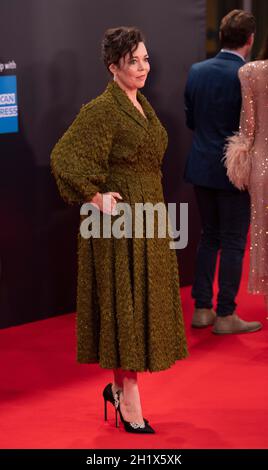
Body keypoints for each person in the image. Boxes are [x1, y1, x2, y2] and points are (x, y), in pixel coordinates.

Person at [50, 27, 187, 434]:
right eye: (134, 61)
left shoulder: (140, 103)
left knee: (135, 306)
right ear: (113, 67)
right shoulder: (103, 109)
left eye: (146, 58)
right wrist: (95, 197)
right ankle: (129, 402)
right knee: (124, 309)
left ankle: (117, 391)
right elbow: (64, 157)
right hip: (118, 225)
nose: (144, 67)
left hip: (149, 220)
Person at [184, 10, 262, 334]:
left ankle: (202, 309)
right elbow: (254, 128)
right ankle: (227, 314)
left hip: (201, 167)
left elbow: (191, 119)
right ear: (250, 40)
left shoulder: (197, 71)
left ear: (221, 36)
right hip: (235, 172)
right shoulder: (249, 76)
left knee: (209, 238)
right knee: (232, 241)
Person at [225, 33, 268, 312]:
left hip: (262, 165)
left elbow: (248, 129)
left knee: (263, 235)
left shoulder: (250, 72)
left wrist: (239, 161)